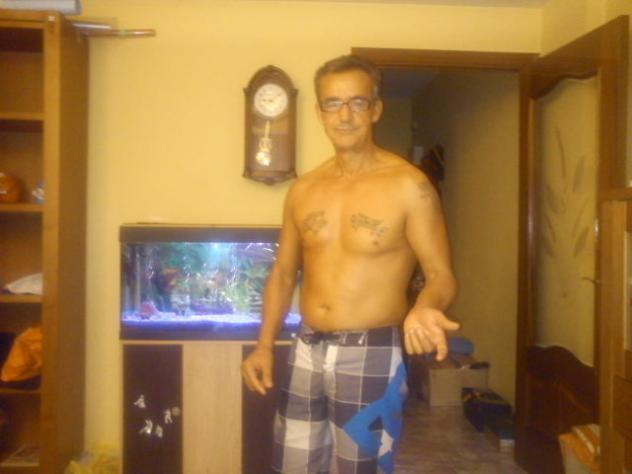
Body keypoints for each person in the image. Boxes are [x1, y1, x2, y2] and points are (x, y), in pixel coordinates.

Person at [241, 54, 458, 474]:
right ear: (319, 112)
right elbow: (283, 273)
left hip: (371, 351)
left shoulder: (409, 185)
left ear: (376, 109)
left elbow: (440, 275)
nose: (345, 115)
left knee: (363, 467)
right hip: (306, 347)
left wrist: (426, 306)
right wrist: (264, 344)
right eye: (333, 103)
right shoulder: (304, 189)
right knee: (293, 465)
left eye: (357, 102)